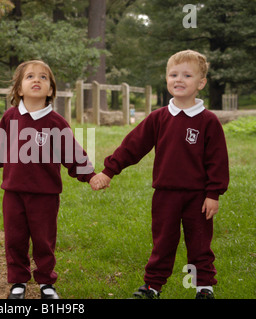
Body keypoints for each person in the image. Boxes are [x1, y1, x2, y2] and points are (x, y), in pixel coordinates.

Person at [90, 49, 229, 299]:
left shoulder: (208, 121)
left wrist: (213, 194)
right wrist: (109, 171)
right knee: (163, 242)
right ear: (166, 79)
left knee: (199, 243)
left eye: (187, 75)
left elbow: (217, 161)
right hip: (165, 195)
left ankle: (204, 287)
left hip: (198, 197)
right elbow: (132, 147)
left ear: (201, 83)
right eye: (173, 74)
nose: (179, 79)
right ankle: (152, 286)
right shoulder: (159, 118)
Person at [0, 60, 96, 299]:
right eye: (30, 76)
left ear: (51, 90)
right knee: (15, 238)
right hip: (13, 192)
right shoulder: (10, 117)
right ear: (19, 89)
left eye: (43, 77)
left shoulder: (56, 122)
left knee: (44, 240)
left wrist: (91, 176)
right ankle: (18, 282)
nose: (37, 80)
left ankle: (46, 282)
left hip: (45, 194)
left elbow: (73, 154)